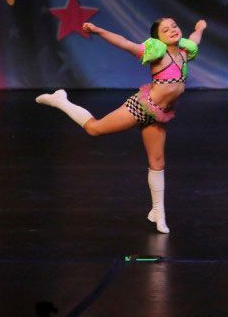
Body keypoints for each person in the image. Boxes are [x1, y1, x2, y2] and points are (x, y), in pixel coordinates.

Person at [36, 18, 207, 234]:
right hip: (142, 107)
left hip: (160, 114)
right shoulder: (158, 54)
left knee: (157, 162)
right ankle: (61, 100)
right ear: (158, 38)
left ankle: (158, 214)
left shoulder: (183, 53)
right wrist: (98, 30)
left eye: (174, 26)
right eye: (165, 30)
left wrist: (199, 28)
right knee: (94, 128)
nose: (172, 30)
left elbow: (194, 39)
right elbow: (124, 43)